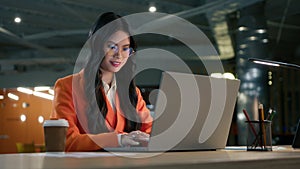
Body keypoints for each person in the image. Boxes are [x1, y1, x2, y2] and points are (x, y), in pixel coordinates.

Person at [51, 12, 153, 152]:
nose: (119, 55)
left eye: (125, 49)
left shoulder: (132, 92)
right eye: (112, 47)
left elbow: (150, 132)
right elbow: (65, 141)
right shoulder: (67, 86)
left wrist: (148, 139)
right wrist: (118, 140)